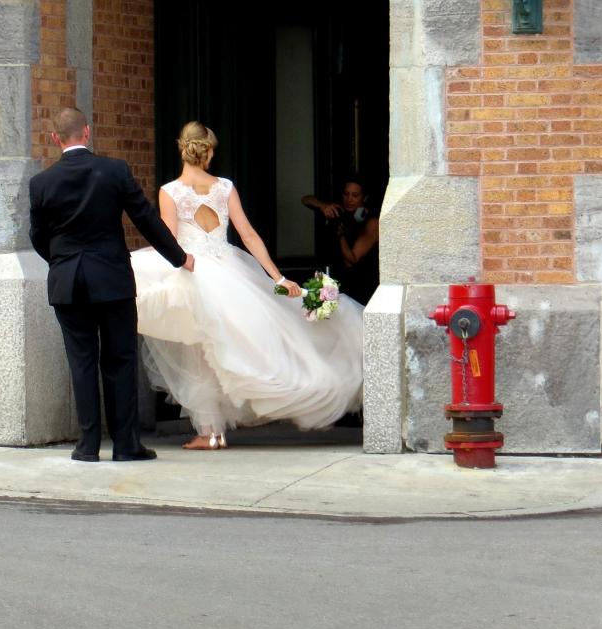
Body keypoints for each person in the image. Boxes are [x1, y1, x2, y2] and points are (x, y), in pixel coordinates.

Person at [131, 122, 364, 450]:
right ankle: (211, 430)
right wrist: (277, 278)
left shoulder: (170, 190)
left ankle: (210, 431)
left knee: (200, 351)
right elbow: (249, 235)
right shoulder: (224, 186)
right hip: (230, 270)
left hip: (192, 271)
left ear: (182, 149)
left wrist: (141, 264)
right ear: (209, 152)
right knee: (225, 346)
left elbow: (168, 241)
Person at [29, 107, 195, 463]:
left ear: (56, 139)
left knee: (82, 362)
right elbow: (146, 219)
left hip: (68, 282)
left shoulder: (41, 183)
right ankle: (125, 445)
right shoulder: (114, 171)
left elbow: (39, 237)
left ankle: (87, 446)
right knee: (120, 360)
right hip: (113, 279)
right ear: (87, 133)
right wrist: (179, 257)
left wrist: (61, 263)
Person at [301, 177, 379, 305]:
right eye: (346, 194)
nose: (349, 199)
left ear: (364, 198)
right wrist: (323, 206)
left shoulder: (371, 222)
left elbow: (352, 259)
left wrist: (341, 235)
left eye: (355, 195)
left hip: (360, 284)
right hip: (335, 279)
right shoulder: (339, 211)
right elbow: (305, 199)